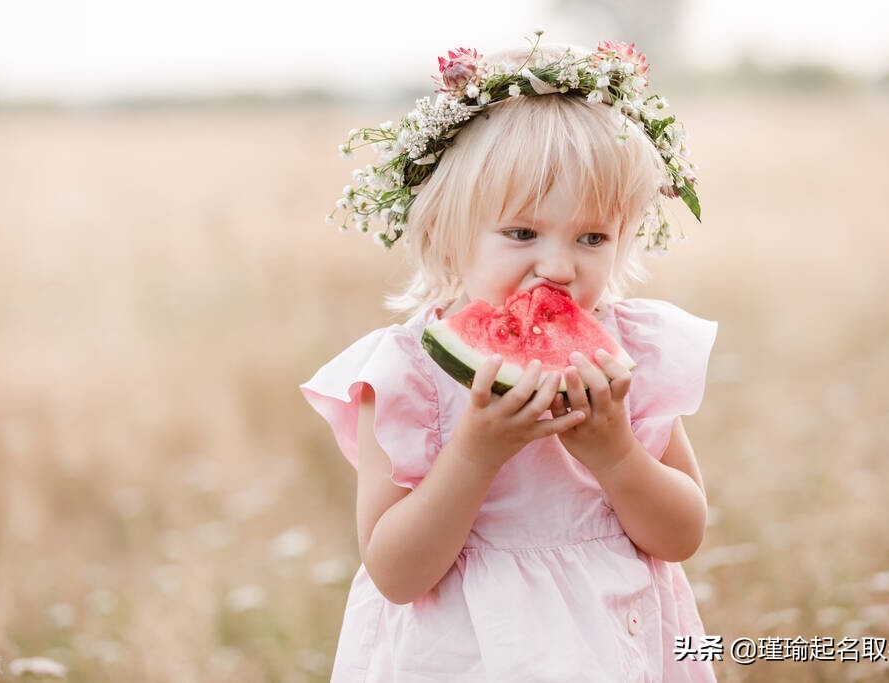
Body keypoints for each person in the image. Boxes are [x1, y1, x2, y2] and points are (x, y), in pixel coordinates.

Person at [300, 33, 719, 682]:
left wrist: (617, 455)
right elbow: (395, 572)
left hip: (617, 647)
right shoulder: (404, 374)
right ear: (445, 229)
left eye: (591, 236)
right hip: (464, 660)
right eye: (522, 232)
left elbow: (683, 534)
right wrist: (473, 453)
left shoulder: (630, 357)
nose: (556, 266)